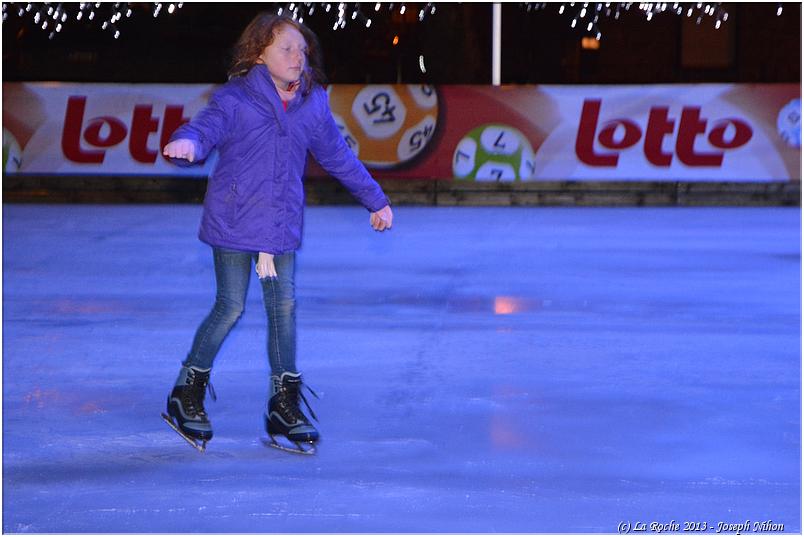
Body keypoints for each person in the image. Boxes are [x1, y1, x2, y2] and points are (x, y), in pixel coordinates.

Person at [160, 12, 393, 453]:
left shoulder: (312, 102)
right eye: (285, 48)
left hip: (279, 225)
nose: (296, 56)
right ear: (259, 53)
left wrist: (375, 199)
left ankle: (282, 407)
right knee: (229, 307)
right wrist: (188, 144)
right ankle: (185, 392)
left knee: (282, 309)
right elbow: (204, 129)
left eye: (302, 50)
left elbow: (339, 157)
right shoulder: (237, 98)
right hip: (233, 221)